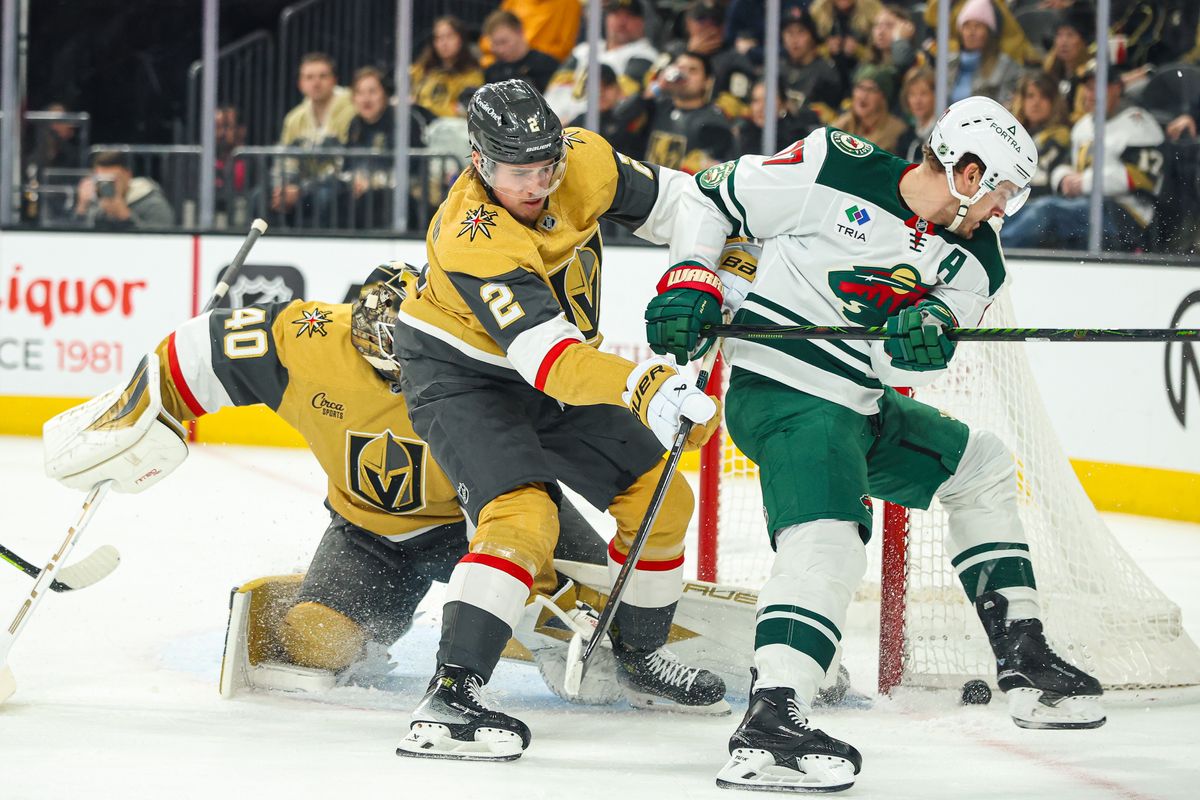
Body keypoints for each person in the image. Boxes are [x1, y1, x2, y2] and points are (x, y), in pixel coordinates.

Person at [643, 96, 1106, 792]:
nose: (1002, 210)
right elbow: (712, 199)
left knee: (979, 465)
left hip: (861, 404)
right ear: (968, 171)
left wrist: (928, 332)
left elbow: (914, 351)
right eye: (1001, 191)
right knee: (828, 539)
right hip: (785, 391)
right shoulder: (833, 166)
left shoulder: (980, 257)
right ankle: (773, 716)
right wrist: (691, 277)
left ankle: (1022, 651)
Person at [43, 262, 618, 705]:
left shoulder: (483, 351)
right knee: (314, 642)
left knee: (572, 635)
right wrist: (133, 415)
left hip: (491, 516)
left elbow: (563, 433)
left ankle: (619, 609)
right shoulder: (309, 339)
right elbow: (198, 349)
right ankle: (350, 596)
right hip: (368, 532)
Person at [392, 79, 731, 762]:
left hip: (556, 360)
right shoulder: (469, 235)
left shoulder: (585, 159)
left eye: (547, 165)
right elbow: (550, 363)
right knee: (524, 518)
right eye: (521, 171)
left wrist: (702, 272)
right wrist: (648, 387)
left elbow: (690, 203)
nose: (540, 183)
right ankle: (451, 695)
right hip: (462, 377)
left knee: (663, 499)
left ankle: (637, 653)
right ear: (480, 162)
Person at [1001, 62, 1164, 252]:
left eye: (1099, 87)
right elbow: (1065, 164)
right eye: (1088, 88)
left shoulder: (1138, 122)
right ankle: (987, 242)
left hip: (1127, 216)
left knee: (1048, 210)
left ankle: (1000, 251)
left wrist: (1085, 182)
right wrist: (1064, 179)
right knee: (1020, 209)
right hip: (1086, 206)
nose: (1092, 94)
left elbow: (1144, 177)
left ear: (1117, 88)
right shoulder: (1083, 126)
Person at [272, 52, 356, 226]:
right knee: (263, 196)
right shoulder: (294, 118)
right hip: (304, 186)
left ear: (334, 80)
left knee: (324, 196)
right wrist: (284, 186)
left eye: (323, 76)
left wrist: (301, 189)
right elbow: (285, 160)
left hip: (338, 184)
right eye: (309, 77)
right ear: (300, 84)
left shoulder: (351, 110)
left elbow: (344, 162)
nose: (316, 83)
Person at [544, 0, 659, 125]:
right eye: (615, 14)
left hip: (595, 133)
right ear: (606, 17)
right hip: (555, 129)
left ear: (643, 22)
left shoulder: (645, 57)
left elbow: (616, 104)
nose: (622, 22)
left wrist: (569, 124)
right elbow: (555, 91)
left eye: (630, 16)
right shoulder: (583, 51)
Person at [641, 51, 736, 173]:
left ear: (707, 82)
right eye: (680, 69)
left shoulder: (714, 122)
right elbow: (620, 126)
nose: (684, 75)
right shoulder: (656, 108)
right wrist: (656, 88)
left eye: (692, 71)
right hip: (647, 186)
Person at [345, 66, 395, 228]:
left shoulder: (401, 122)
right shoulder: (355, 124)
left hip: (395, 195)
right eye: (360, 93)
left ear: (385, 94)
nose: (366, 99)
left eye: (372, 92)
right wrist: (354, 180)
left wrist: (372, 182)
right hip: (360, 191)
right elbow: (347, 165)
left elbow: (413, 170)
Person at [945, 0, 1021, 106]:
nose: (971, 32)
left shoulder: (1006, 66)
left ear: (989, 32)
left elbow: (1005, 108)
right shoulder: (948, 63)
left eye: (978, 26)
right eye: (966, 26)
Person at [1009, 71, 1071, 201]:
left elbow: (1041, 179)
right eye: (1030, 96)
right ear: (1021, 100)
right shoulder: (1010, 133)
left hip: (1040, 201)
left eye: (1043, 97)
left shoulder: (1060, 135)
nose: (1036, 103)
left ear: (1054, 102)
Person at [73, 150, 174, 229]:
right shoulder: (94, 204)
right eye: (101, 180)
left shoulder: (153, 204)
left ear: (128, 175)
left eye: (113, 179)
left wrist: (126, 218)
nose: (107, 185)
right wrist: (81, 208)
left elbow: (161, 243)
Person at [410, 16, 484, 119]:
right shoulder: (423, 68)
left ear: (461, 40)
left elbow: (463, 111)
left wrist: (423, 108)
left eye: (449, 36)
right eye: (438, 38)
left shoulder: (472, 75)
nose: (444, 43)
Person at [780, 8, 844, 124]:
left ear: (812, 36)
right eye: (789, 32)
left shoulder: (826, 71)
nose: (795, 40)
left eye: (801, 32)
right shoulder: (778, 68)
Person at [831, 64, 913, 155]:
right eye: (860, 87)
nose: (863, 96)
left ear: (883, 98)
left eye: (871, 90)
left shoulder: (896, 131)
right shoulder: (844, 124)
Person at [482, 10, 560, 93]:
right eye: (495, 44)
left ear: (520, 32)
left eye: (504, 42)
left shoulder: (546, 65)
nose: (500, 50)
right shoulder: (492, 72)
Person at [898, 66, 937, 162]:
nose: (917, 101)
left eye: (923, 94)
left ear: (936, 95)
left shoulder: (944, 133)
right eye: (912, 94)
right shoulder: (906, 138)